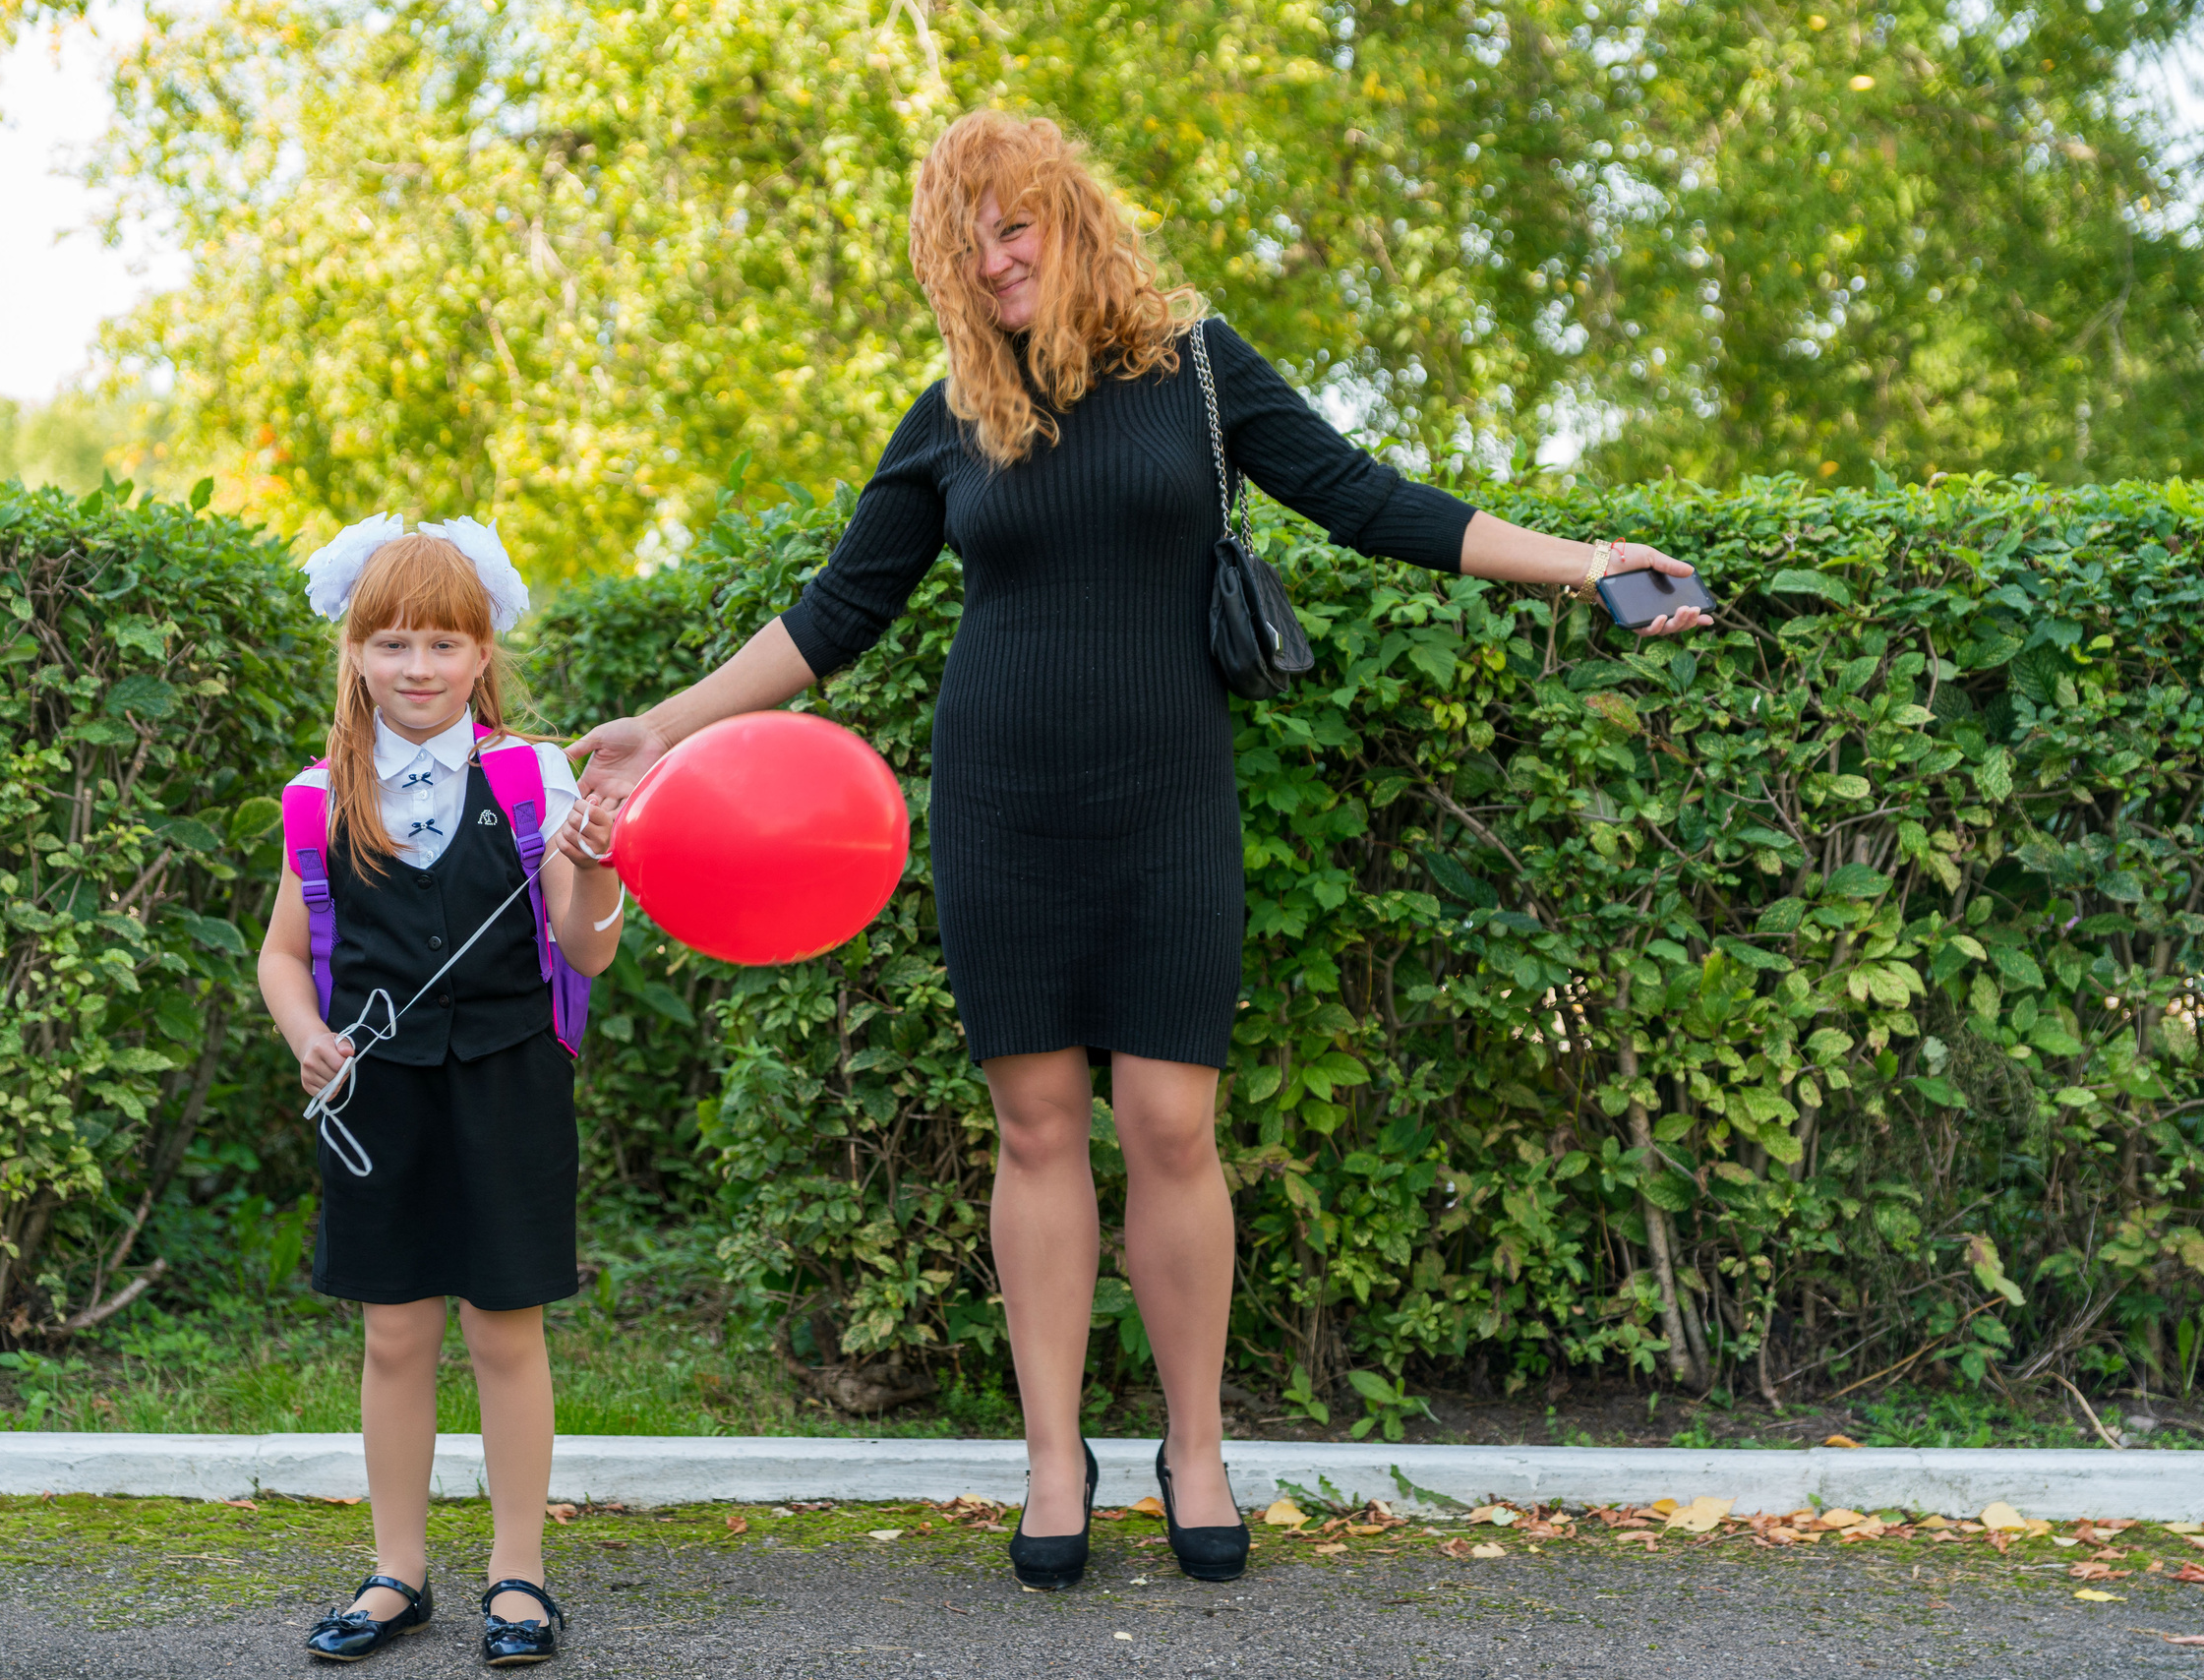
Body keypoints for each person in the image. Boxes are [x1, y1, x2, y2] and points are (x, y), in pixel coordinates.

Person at [570, 111, 1705, 1590]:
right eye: (966, 245)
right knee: (1036, 1124)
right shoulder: (953, 418)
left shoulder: (1199, 373)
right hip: (1003, 807)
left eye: (1016, 225)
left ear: (1074, 217)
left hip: (1168, 798)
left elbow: (1371, 501)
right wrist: (656, 728)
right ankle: (1054, 1459)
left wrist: (1585, 562)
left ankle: (1194, 1445)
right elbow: (835, 613)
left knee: (1172, 1124)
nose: (996, 261)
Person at [260, 517, 624, 1665]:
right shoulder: (321, 796)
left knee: (504, 1333)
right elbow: (281, 954)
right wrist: (309, 1034)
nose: (417, 668)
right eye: (393, 643)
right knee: (395, 1335)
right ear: (355, 653)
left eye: (443, 643)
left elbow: (588, 948)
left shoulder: (534, 780)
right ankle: (396, 1572)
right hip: (379, 1099)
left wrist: (601, 867)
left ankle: (518, 1575)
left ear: (483, 653)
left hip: (510, 1083)